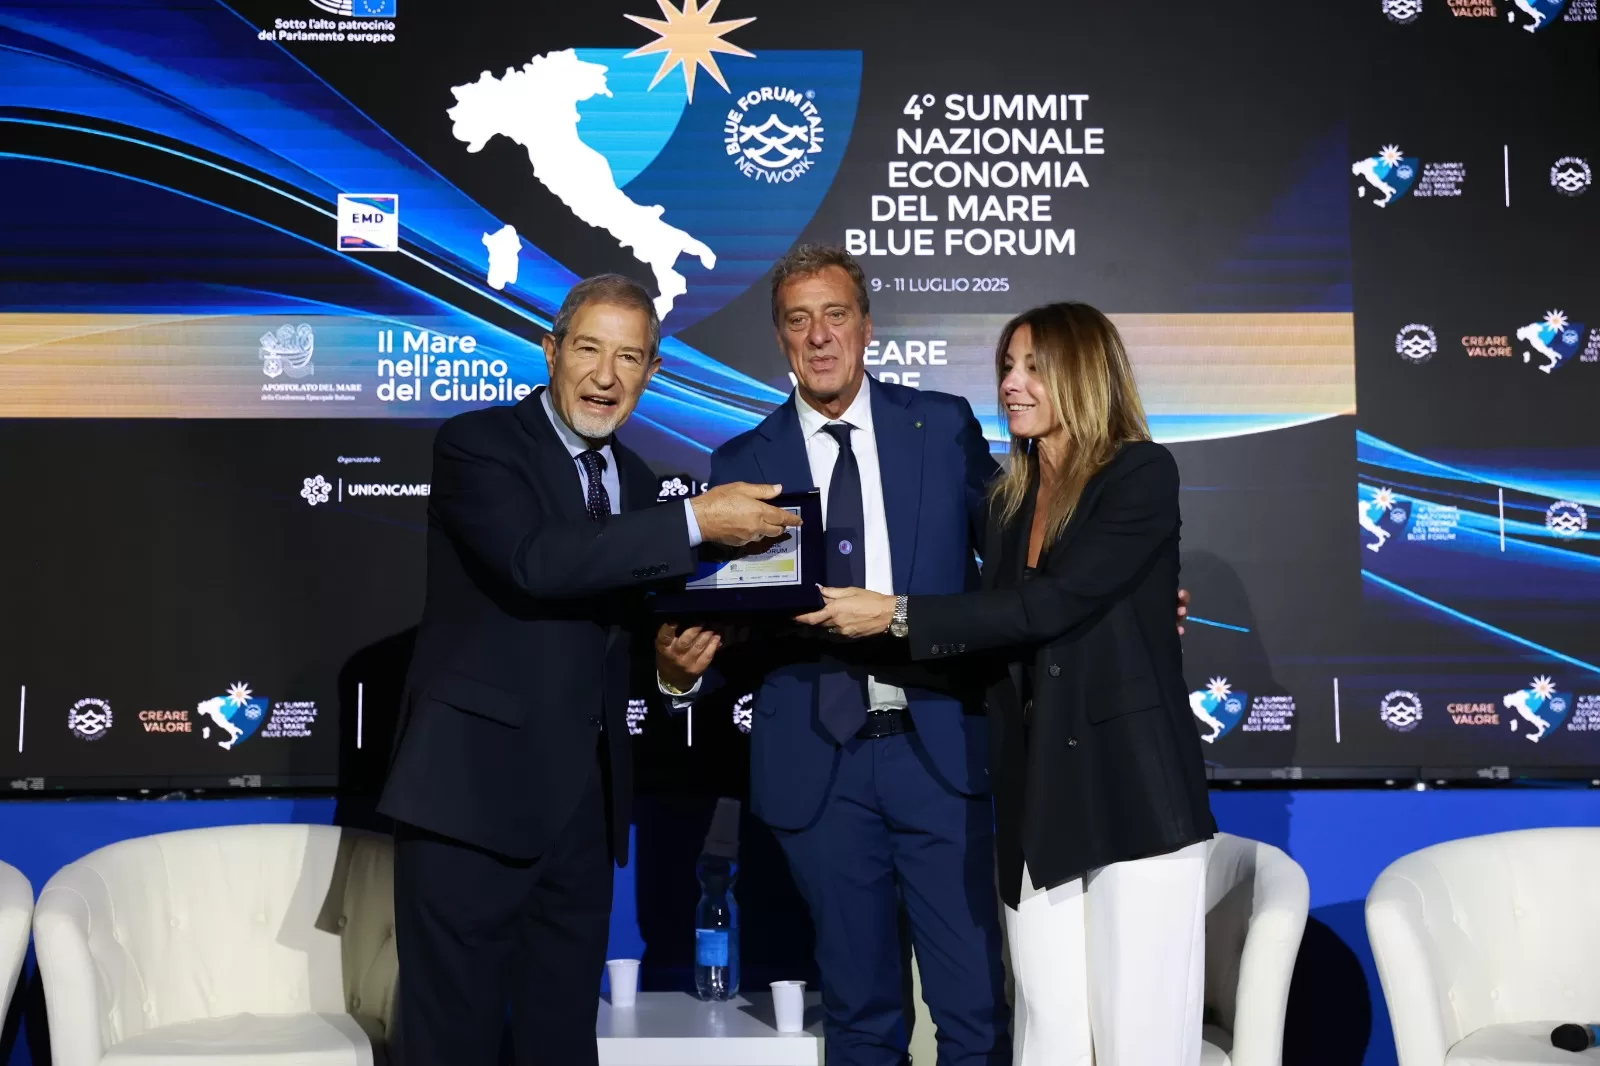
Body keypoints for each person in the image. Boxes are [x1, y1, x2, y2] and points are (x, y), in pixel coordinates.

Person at [657, 248, 1192, 1066]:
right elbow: (739, 623)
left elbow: (1021, 559)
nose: (819, 336)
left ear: (867, 328)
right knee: (860, 1020)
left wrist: (1130, 601)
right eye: (798, 320)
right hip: (817, 770)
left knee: (975, 1017)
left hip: (945, 754)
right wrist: (681, 670)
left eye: (836, 315)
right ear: (780, 337)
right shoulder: (741, 463)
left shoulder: (941, 427)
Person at [378, 274, 801, 1066]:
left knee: (563, 1043)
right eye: (588, 350)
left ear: (652, 372)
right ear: (551, 351)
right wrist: (693, 518)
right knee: (452, 1046)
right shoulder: (478, 444)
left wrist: (672, 669)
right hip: (469, 803)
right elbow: (536, 563)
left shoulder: (635, 481)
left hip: (582, 812)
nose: (605, 376)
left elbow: (619, 633)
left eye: (629, 358)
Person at [797, 301, 1217, 1066]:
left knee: (1142, 1040)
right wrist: (854, 639)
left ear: (1084, 375)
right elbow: (994, 637)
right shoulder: (1009, 501)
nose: (1012, 385)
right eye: (1006, 367)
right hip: (1037, 796)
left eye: (1034, 368)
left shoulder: (1140, 473)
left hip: (1131, 793)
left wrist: (894, 613)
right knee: (1046, 1036)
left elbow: (1052, 604)